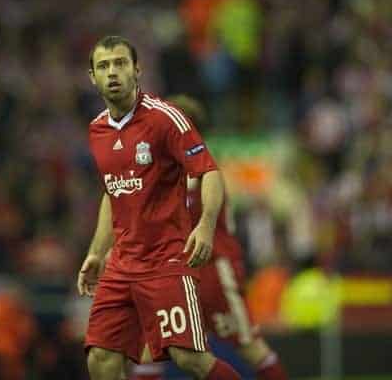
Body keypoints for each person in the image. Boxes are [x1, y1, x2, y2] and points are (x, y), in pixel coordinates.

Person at [77, 35, 242, 380]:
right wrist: (96, 252)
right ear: (92, 77)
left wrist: (207, 225)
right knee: (100, 358)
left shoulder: (165, 118)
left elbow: (208, 171)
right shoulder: (97, 131)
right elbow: (113, 193)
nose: (112, 73)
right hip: (122, 263)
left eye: (120, 63)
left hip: (166, 259)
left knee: (189, 359)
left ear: (136, 70)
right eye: (103, 66)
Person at [128, 95, 288, 380]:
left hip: (214, 269)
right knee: (151, 348)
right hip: (178, 274)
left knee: (249, 345)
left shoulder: (201, 167)